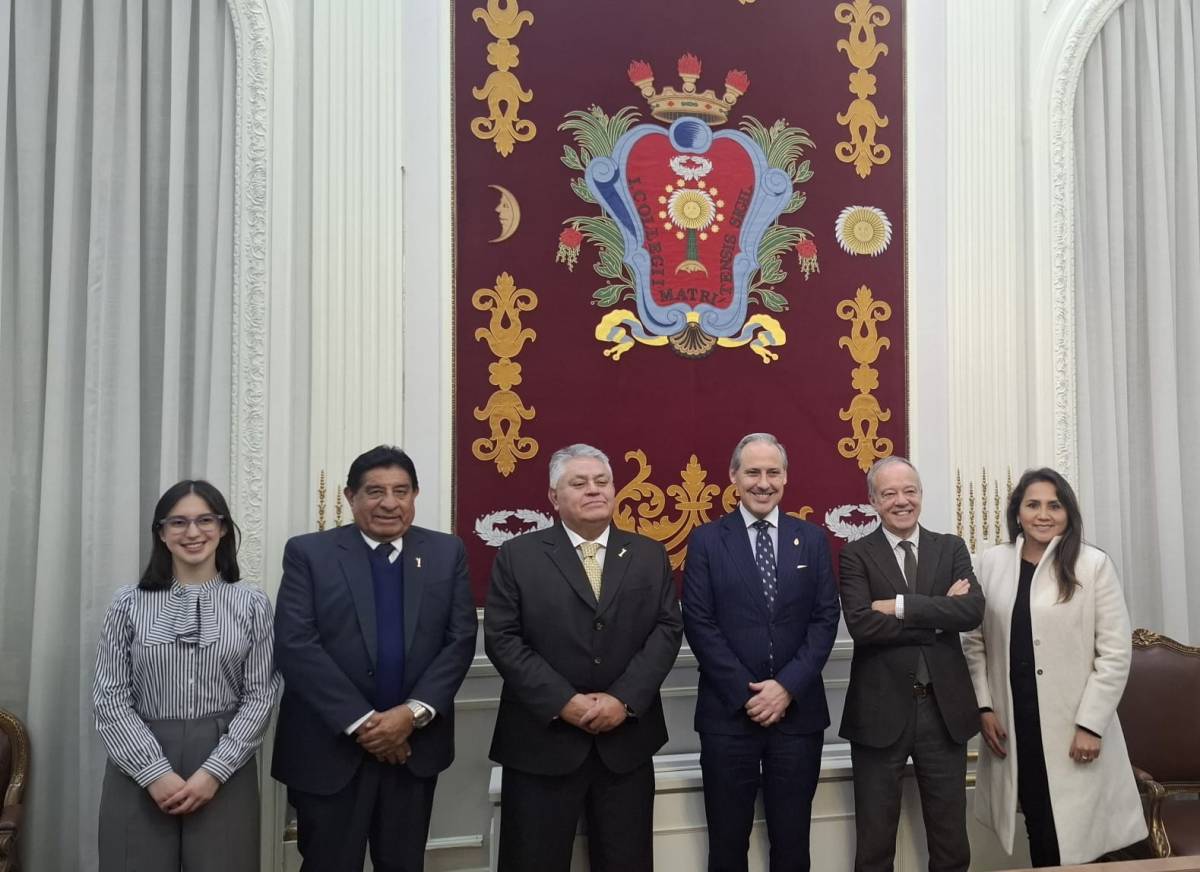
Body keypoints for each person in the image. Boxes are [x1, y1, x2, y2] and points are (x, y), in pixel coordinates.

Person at [272, 446, 476, 872]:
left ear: (415, 495)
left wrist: (410, 715)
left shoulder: (445, 553)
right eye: (375, 491)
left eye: (401, 491)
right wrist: (366, 723)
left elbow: (459, 642)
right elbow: (296, 644)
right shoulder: (309, 554)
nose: (389, 503)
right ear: (350, 496)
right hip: (328, 751)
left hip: (413, 751)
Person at [484, 443, 684, 872]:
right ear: (554, 497)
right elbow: (503, 639)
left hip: (626, 743)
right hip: (541, 742)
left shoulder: (649, 555)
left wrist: (623, 699)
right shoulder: (517, 556)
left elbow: (667, 630)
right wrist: (564, 702)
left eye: (602, 481)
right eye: (579, 483)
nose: (594, 490)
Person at [962, 468, 1147, 865]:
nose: (1043, 514)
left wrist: (1091, 724)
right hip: (1016, 726)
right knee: (1040, 828)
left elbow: (1114, 653)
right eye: (1033, 505)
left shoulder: (1092, 565)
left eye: (1054, 505)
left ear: (1068, 513)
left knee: (1076, 838)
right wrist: (984, 706)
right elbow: (974, 642)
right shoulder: (991, 562)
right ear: (1017, 513)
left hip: (1073, 728)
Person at [94, 480, 278, 871]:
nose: (192, 532)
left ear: (223, 528)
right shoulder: (127, 603)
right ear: (161, 533)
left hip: (225, 761)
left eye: (205, 520)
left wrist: (213, 772)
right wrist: (154, 773)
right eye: (178, 522)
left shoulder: (252, 603)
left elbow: (260, 696)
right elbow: (109, 697)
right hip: (137, 758)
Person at [682, 433, 840, 872]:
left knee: (792, 845)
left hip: (798, 717)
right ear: (733, 477)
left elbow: (825, 620)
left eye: (773, 472)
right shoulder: (707, 541)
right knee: (727, 845)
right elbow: (699, 623)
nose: (763, 482)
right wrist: (750, 694)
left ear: (786, 478)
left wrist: (785, 688)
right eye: (753, 472)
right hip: (729, 717)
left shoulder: (811, 539)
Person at [839, 456, 984, 872]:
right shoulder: (855, 555)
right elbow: (862, 625)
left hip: (943, 713)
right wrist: (937, 617)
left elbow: (971, 611)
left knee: (950, 839)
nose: (901, 501)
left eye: (910, 491)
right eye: (889, 494)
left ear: (921, 494)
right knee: (874, 841)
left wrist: (899, 606)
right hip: (879, 711)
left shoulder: (951, 547)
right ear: (872, 501)